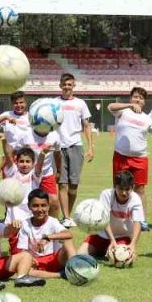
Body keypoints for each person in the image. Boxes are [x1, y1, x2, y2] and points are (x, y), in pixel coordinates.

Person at [108, 87, 152, 230]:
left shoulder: (147, 119)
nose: (137, 99)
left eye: (141, 98)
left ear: (144, 102)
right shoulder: (123, 111)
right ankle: (116, 217)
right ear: (130, 98)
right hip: (121, 156)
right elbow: (110, 106)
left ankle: (142, 221)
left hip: (140, 158)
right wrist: (129, 105)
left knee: (140, 190)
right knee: (118, 187)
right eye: (135, 97)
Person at [53, 74, 93, 227]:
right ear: (60, 85)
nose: (67, 87)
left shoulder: (80, 103)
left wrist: (90, 147)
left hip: (76, 146)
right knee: (62, 183)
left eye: (69, 84)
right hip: (58, 147)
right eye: (64, 84)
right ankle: (66, 216)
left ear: (74, 85)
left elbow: (86, 126)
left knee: (73, 184)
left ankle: (67, 215)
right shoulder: (53, 103)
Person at [17, 189, 75, 279]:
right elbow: (23, 250)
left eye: (43, 205)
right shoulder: (25, 224)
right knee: (24, 270)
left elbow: (68, 234)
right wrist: (31, 259)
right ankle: (62, 274)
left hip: (55, 259)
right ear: (29, 206)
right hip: (36, 262)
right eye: (35, 206)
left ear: (48, 206)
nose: (40, 209)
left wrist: (47, 238)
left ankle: (75, 269)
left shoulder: (52, 221)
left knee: (68, 242)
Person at [86, 171, 144, 262]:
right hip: (102, 235)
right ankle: (103, 250)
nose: (124, 193)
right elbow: (104, 219)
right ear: (114, 187)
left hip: (122, 237)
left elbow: (138, 222)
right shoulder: (106, 195)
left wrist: (133, 244)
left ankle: (105, 251)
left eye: (127, 189)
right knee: (79, 254)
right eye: (120, 188)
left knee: (123, 258)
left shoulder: (135, 199)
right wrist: (112, 240)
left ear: (132, 188)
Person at [0, 91, 31, 174]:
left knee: (25, 184)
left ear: (26, 103)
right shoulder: (7, 114)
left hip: (26, 158)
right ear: (12, 104)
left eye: (21, 102)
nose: (19, 105)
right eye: (15, 103)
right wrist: (5, 117)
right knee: (9, 185)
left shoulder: (31, 117)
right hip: (8, 158)